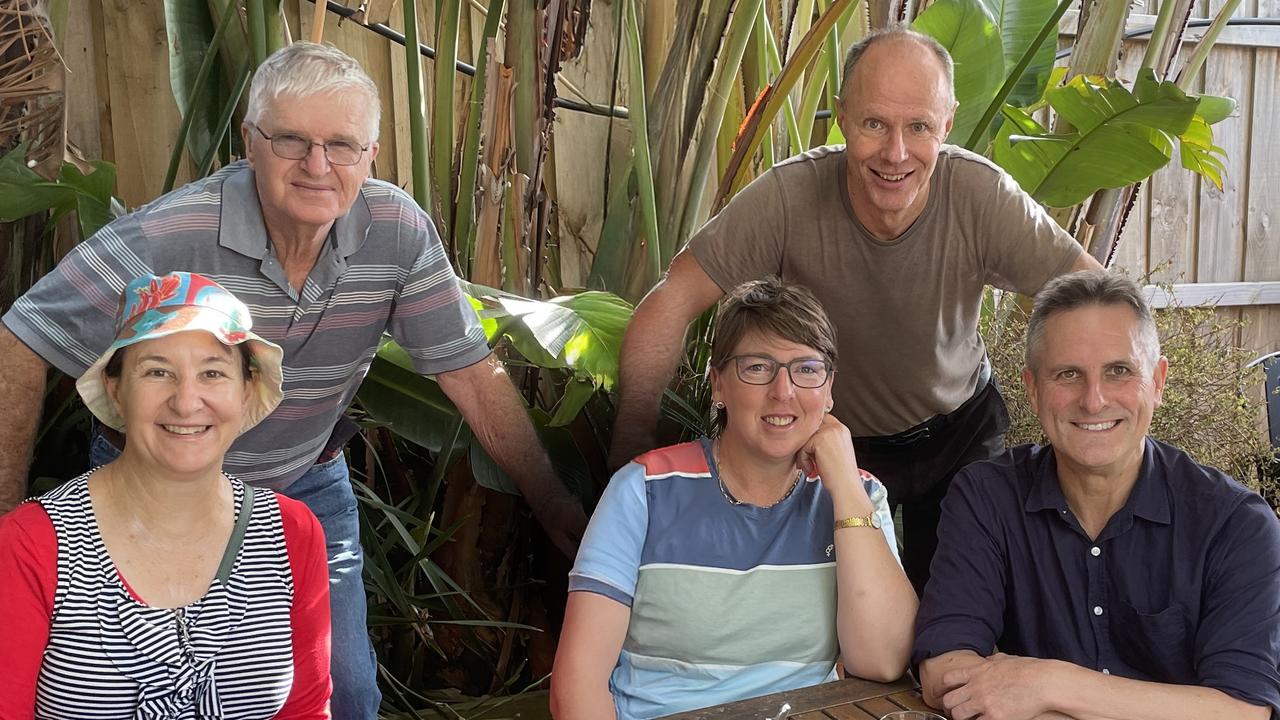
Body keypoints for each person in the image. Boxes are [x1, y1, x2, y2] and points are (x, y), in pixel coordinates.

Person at [0, 42, 586, 719]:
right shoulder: (170, 235)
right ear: (251, 143)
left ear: (371, 155)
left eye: (341, 145)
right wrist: (8, 519)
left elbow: (473, 378)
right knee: (125, 690)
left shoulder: (397, 232)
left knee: (345, 692)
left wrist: (552, 502)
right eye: (291, 141)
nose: (317, 165)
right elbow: (23, 332)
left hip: (304, 484)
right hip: (153, 483)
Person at [608, 25, 1102, 594]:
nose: (895, 154)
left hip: (961, 434)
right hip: (838, 444)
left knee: (965, 613)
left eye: (918, 127)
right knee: (851, 625)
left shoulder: (981, 196)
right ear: (842, 117)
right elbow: (672, 298)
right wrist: (630, 444)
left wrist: (1085, 417)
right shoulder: (790, 197)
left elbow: (1094, 298)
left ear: (947, 122)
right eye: (875, 124)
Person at [913, 270, 1280, 720]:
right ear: (1032, 389)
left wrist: (1050, 684)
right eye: (1068, 374)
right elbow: (943, 670)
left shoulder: (1236, 525)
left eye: (1119, 371)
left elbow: (1242, 710)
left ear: (1158, 382)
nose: (1093, 400)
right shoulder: (986, 498)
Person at [551, 279, 917, 720]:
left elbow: (883, 659)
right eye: (758, 368)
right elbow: (578, 683)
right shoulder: (645, 490)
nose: (784, 391)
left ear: (829, 388)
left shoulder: (858, 494)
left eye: (806, 369)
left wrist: (843, 484)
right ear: (718, 385)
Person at [0, 272, 331, 719]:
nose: (187, 401)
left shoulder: (293, 533)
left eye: (212, 372)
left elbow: (306, 710)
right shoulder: (32, 543)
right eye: (158, 371)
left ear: (246, 388)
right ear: (116, 390)